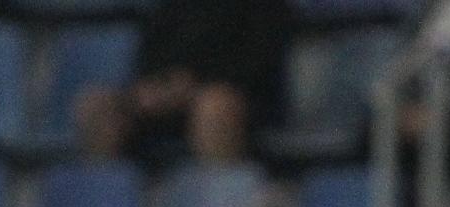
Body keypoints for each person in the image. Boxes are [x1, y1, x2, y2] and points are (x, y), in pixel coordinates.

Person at [74, 0, 292, 165]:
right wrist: (151, 88)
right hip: (169, 97)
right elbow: (151, 52)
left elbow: (260, 61)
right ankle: (103, 206)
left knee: (214, 106)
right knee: (97, 106)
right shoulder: (175, 5)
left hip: (238, 99)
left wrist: (195, 86)